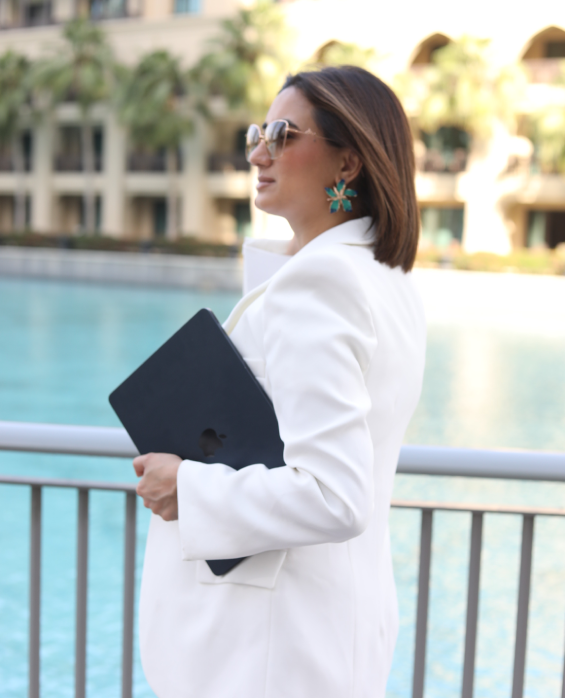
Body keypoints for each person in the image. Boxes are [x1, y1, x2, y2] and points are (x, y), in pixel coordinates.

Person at [133, 65, 426, 698]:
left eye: (282, 135)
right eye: (256, 134)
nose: (258, 154)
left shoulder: (320, 285)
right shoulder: (381, 278)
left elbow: (334, 493)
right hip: (314, 631)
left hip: (267, 652)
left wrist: (187, 486)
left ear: (348, 163)